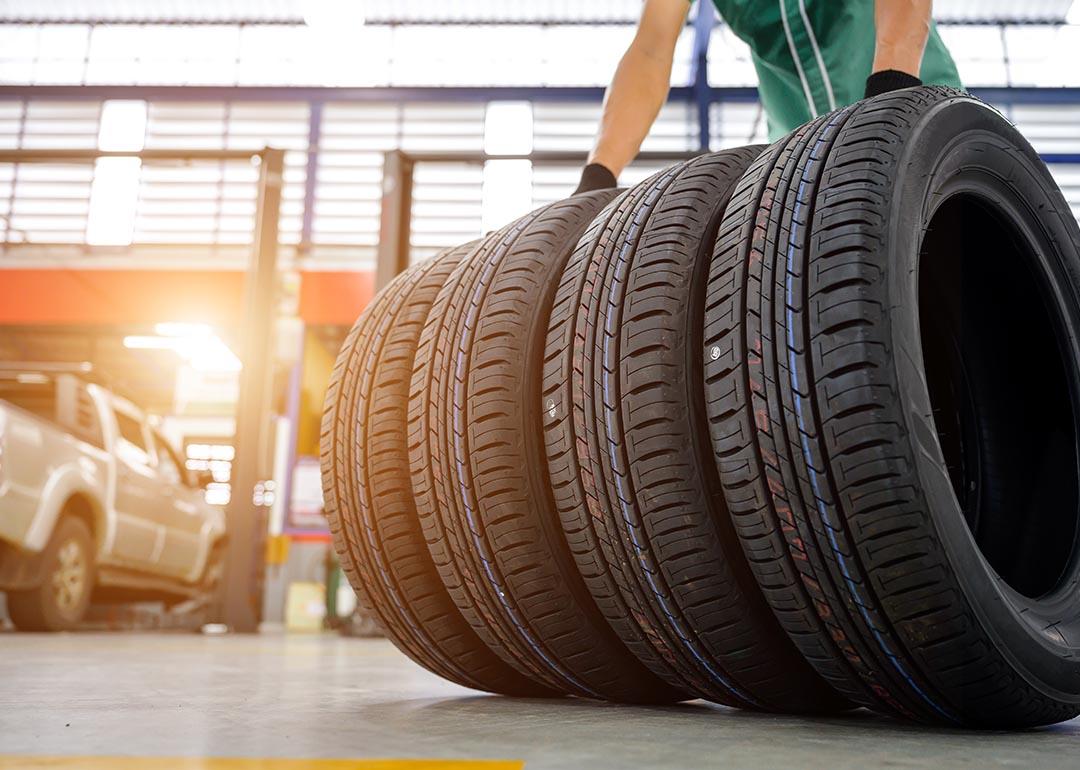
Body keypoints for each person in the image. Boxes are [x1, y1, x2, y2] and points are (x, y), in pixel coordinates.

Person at [575, 0, 962, 194]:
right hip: (802, 159)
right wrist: (600, 172)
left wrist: (891, 94)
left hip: (913, 102)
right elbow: (651, 49)